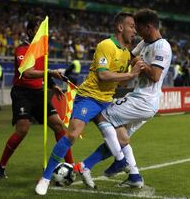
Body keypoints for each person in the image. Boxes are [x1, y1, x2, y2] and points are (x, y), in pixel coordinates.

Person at [35, 12, 140, 195]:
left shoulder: (126, 53)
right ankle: (45, 177)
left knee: (123, 140)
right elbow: (103, 75)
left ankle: (85, 167)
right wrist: (131, 74)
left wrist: (136, 72)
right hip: (89, 97)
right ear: (120, 27)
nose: (134, 30)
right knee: (73, 134)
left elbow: (120, 82)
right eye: (131, 26)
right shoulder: (106, 45)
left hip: (107, 101)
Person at [74, 8, 172, 189]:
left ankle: (119, 161)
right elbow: (130, 57)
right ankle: (133, 175)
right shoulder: (145, 43)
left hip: (144, 100)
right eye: (133, 27)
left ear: (149, 27)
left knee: (102, 115)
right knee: (120, 138)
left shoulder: (162, 47)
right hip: (141, 98)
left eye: (138, 28)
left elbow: (156, 75)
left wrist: (140, 66)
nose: (135, 32)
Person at [0, 16, 74, 178]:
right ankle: (1, 166)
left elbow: (42, 70)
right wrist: (51, 72)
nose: (41, 34)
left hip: (38, 93)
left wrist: (52, 85)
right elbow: (28, 73)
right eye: (38, 30)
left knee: (59, 126)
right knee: (23, 129)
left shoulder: (42, 49)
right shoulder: (22, 50)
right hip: (22, 93)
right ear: (30, 32)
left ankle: (71, 166)